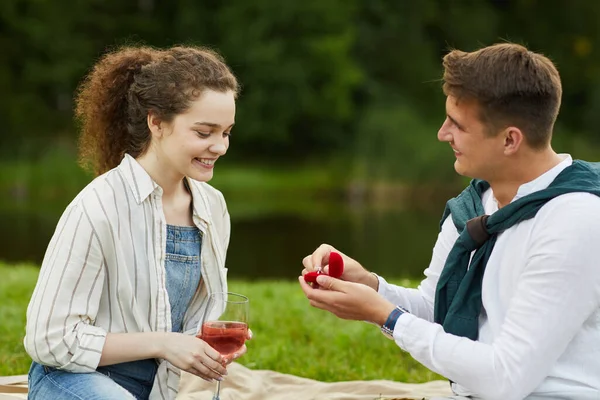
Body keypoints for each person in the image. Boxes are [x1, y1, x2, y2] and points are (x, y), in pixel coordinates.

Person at [299, 43, 600, 400]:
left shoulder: (575, 221)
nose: (443, 134)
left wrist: (387, 317)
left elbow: (506, 378)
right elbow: (438, 309)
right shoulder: (473, 207)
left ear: (509, 140)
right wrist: (372, 288)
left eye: (457, 125)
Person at [24, 45, 248, 400]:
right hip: (76, 376)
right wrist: (164, 344)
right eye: (204, 133)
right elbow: (49, 339)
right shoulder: (97, 207)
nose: (220, 147)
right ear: (156, 122)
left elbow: (192, 320)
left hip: (168, 384)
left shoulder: (213, 207)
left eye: (226, 132)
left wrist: (204, 345)